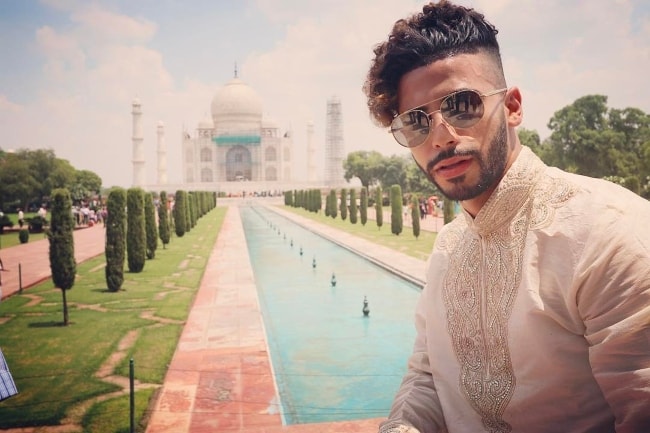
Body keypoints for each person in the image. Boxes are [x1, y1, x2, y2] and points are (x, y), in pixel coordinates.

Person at [363, 2, 650, 432]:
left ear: (512, 106)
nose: (441, 135)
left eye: (462, 105)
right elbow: (427, 375)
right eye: (415, 123)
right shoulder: (449, 245)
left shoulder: (607, 233)